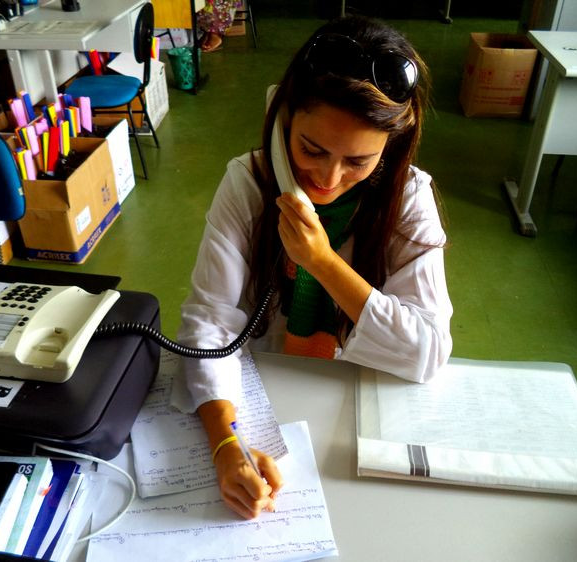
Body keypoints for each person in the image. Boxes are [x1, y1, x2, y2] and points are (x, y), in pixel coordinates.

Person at [177, 15, 453, 519]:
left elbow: (426, 353)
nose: (328, 178)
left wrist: (322, 261)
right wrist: (225, 444)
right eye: (311, 149)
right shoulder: (248, 182)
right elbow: (210, 321)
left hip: (359, 403)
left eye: (359, 161)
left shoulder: (409, 198)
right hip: (266, 396)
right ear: (283, 114)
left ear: (390, 147)